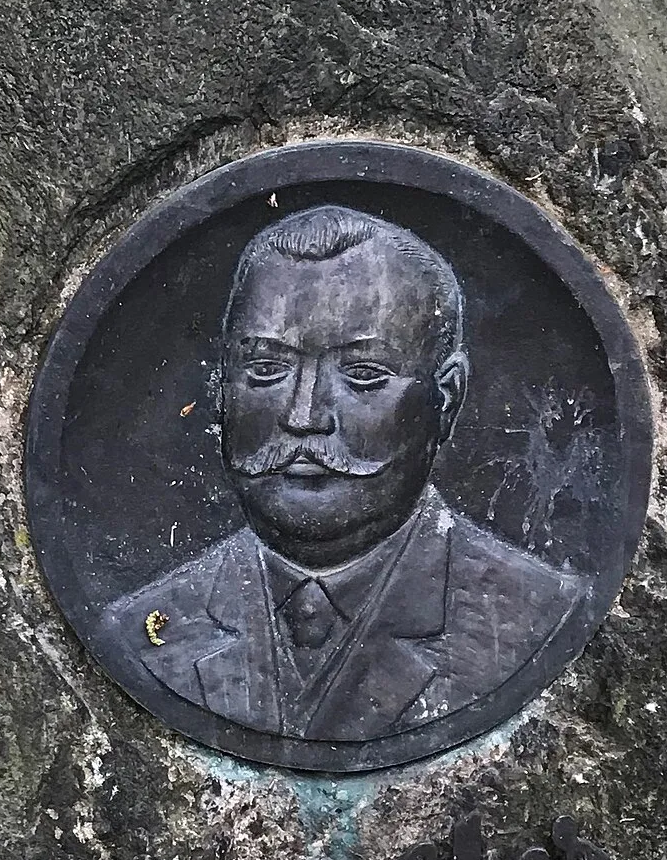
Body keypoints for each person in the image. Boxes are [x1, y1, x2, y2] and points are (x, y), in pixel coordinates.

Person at [101, 204, 584, 748]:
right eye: (266, 370)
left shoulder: (533, 617)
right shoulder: (146, 629)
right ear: (222, 388)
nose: (304, 416)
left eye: (362, 375)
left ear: (445, 397)